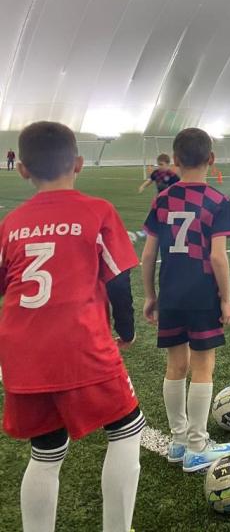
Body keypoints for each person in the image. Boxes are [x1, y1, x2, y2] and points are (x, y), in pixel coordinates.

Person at [0, 121, 143, 531]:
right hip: (80, 344)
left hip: (21, 353)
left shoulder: (11, 224)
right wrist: (127, 330)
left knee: (45, 450)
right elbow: (118, 280)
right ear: (78, 164)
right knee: (126, 428)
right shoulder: (97, 211)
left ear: (22, 170)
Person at [141, 127, 230, 473]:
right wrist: (226, 299)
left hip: (170, 293)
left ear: (175, 160)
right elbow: (218, 257)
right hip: (202, 294)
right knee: (202, 366)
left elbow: (148, 255)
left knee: (175, 366)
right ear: (211, 158)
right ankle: (197, 446)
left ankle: (178, 441)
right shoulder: (219, 201)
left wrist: (150, 295)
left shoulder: (162, 200)